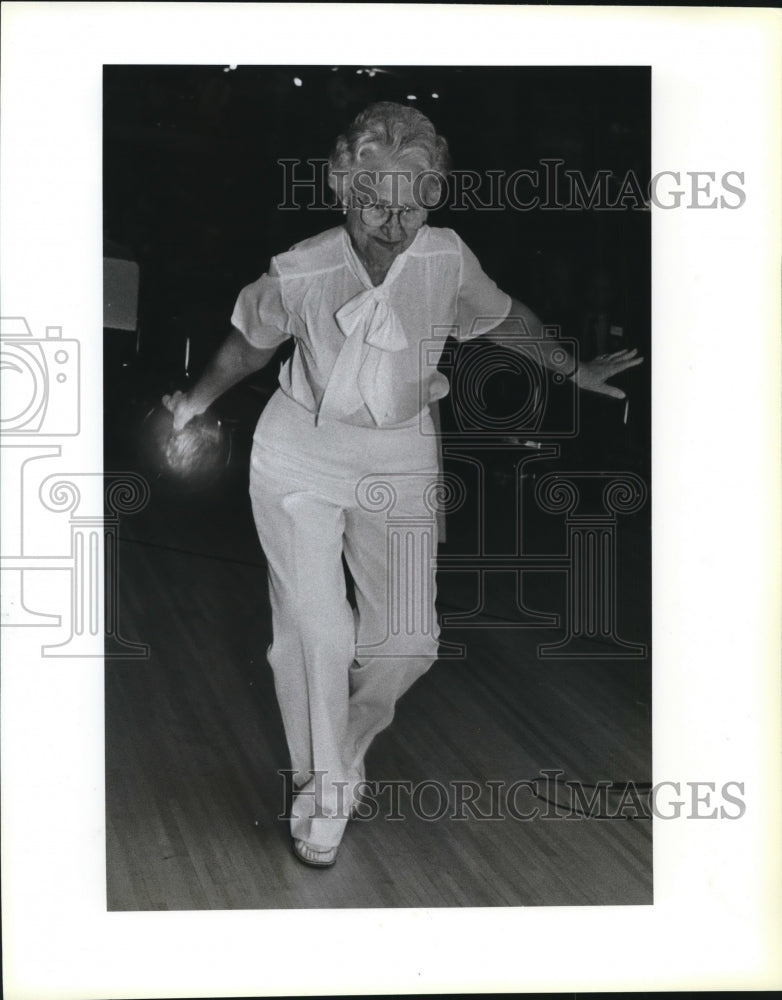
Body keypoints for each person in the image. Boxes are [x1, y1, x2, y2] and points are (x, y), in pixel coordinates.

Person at [163, 102, 642, 868]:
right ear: (343, 187)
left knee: (409, 642)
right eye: (377, 199)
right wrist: (192, 403)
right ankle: (322, 794)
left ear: (434, 195)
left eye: (414, 200)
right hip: (299, 454)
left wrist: (573, 368)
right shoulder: (303, 268)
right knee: (315, 630)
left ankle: (342, 749)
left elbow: (506, 319)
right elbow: (247, 347)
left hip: (403, 455)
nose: (395, 220)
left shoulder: (446, 259)